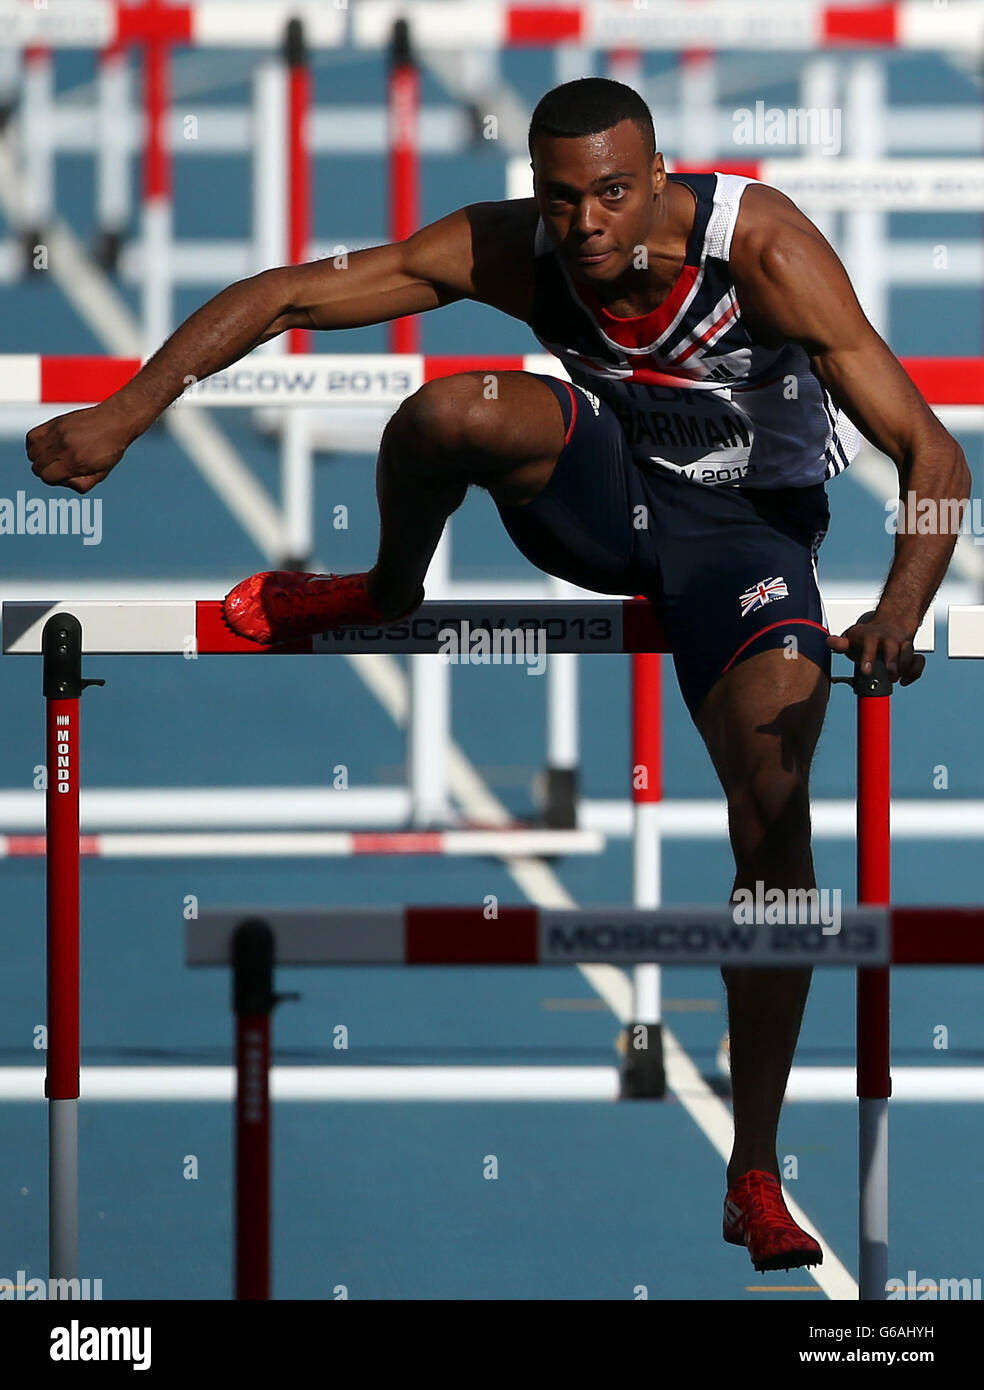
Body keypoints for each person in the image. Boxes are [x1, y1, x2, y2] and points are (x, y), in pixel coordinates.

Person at [27, 77, 969, 1274]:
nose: (586, 225)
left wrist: (897, 608)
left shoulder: (765, 249)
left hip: (750, 539)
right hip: (609, 498)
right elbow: (290, 295)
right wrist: (125, 410)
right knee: (449, 413)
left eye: (613, 194)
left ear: (661, 175)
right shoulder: (516, 248)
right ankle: (383, 589)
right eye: (563, 197)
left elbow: (933, 449)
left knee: (777, 822)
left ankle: (753, 1167)